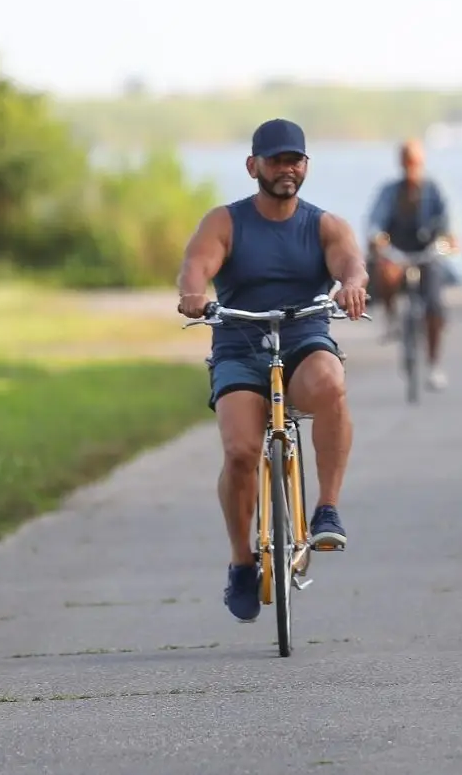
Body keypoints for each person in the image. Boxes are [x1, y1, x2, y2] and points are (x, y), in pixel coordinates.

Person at [176, 118, 369, 623]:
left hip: (304, 338)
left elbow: (350, 261)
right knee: (240, 452)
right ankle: (243, 561)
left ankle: (326, 509)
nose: (288, 169)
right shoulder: (226, 221)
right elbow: (198, 262)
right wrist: (193, 293)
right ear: (253, 166)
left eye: (296, 160)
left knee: (330, 382)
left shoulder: (323, 224)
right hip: (240, 345)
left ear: (306, 166)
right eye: (277, 160)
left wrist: (351, 284)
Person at [363, 138, 460, 391]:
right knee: (384, 272)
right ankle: (392, 317)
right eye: (407, 162)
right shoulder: (390, 192)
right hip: (398, 254)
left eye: (415, 161)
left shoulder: (434, 190)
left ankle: (433, 364)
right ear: (401, 163)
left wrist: (449, 240)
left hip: (427, 254)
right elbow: (375, 222)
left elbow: (448, 222)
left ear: (422, 162)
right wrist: (377, 240)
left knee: (435, 308)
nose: (411, 167)